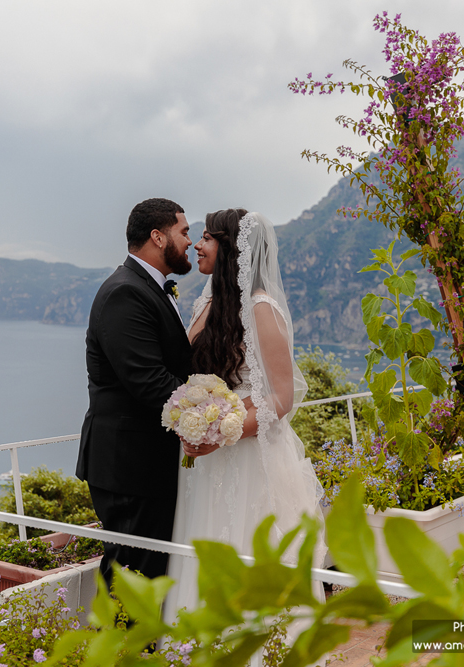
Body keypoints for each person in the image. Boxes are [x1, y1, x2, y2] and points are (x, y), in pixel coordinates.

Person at [165, 209, 327, 629]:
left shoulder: (261, 308)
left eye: (206, 238)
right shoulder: (206, 300)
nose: (197, 246)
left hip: (248, 458)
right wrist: (191, 416)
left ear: (232, 248)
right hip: (204, 463)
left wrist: (221, 432)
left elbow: (280, 397)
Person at [76, 198, 193, 585]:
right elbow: (150, 382)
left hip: (145, 462)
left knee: (149, 571)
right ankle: (121, 647)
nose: (190, 241)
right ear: (158, 237)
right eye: (184, 231)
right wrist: (218, 414)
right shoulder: (125, 293)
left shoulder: (149, 288)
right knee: (132, 575)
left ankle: (141, 646)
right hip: (128, 465)